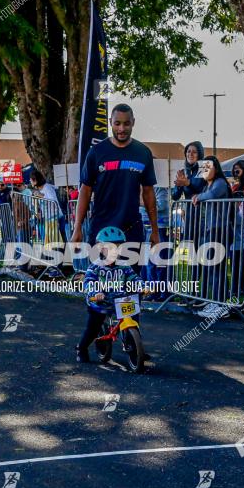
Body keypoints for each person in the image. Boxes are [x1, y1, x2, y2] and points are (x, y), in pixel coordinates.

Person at [71, 104, 160, 273]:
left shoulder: (143, 153)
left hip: (131, 229)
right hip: (101, 227)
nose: (121, 128)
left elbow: (148, 193)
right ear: (110, 122)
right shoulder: (96, 152)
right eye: (117, 123)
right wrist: (77, 229)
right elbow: (85, 190)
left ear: (133, 122)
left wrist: (155, 230)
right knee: (101, 284)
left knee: (130, 284)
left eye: (126, 124)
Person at [75, 226, 144, 363]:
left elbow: (134, 278)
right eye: (110, 248)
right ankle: (81, 348)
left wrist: (143, 286)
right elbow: (88, 282)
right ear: (101, 249)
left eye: (118, 247)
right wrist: (96, 292)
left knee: (133, 320)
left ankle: (135, 349)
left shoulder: (124, 265)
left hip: (120, 300)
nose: (115, 251)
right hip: (100, 303)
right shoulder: (95, 267)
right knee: (93, 328)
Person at [192, 157, 230, 317]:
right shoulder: (206, 184)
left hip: (219, 229)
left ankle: (221, 305)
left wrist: (198, 197)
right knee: (211, 267)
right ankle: (214, 302)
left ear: (216, 168)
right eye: (204, 167)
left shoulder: (220, 182)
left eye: (209, 166)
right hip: (209, 230)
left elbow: (212, 195)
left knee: (217, 268)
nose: (206, 169)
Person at [229, 160, 244, 303]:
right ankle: (238, 283)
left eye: (239, 169)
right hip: (235, 224)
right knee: (236, 254)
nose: (236, 172)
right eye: (234, 170)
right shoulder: (235, 186)